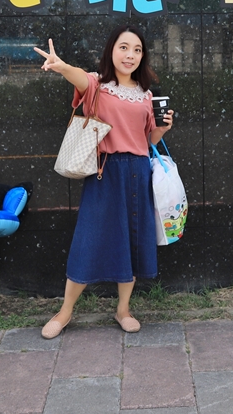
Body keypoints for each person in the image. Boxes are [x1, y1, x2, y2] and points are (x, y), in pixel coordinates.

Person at [34, 25, 174, 338]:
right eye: (124, 47)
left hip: (138, 172)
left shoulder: (146, 95)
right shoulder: (98, 84)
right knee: (89, 239)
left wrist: (162, 130)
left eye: (137, 50)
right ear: (111, 50)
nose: (130, 55)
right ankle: (65, 312)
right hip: (105, 172)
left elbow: (146, 141)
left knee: (132, 241)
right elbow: (78, 77)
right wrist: (61, 66)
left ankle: (123, 309)